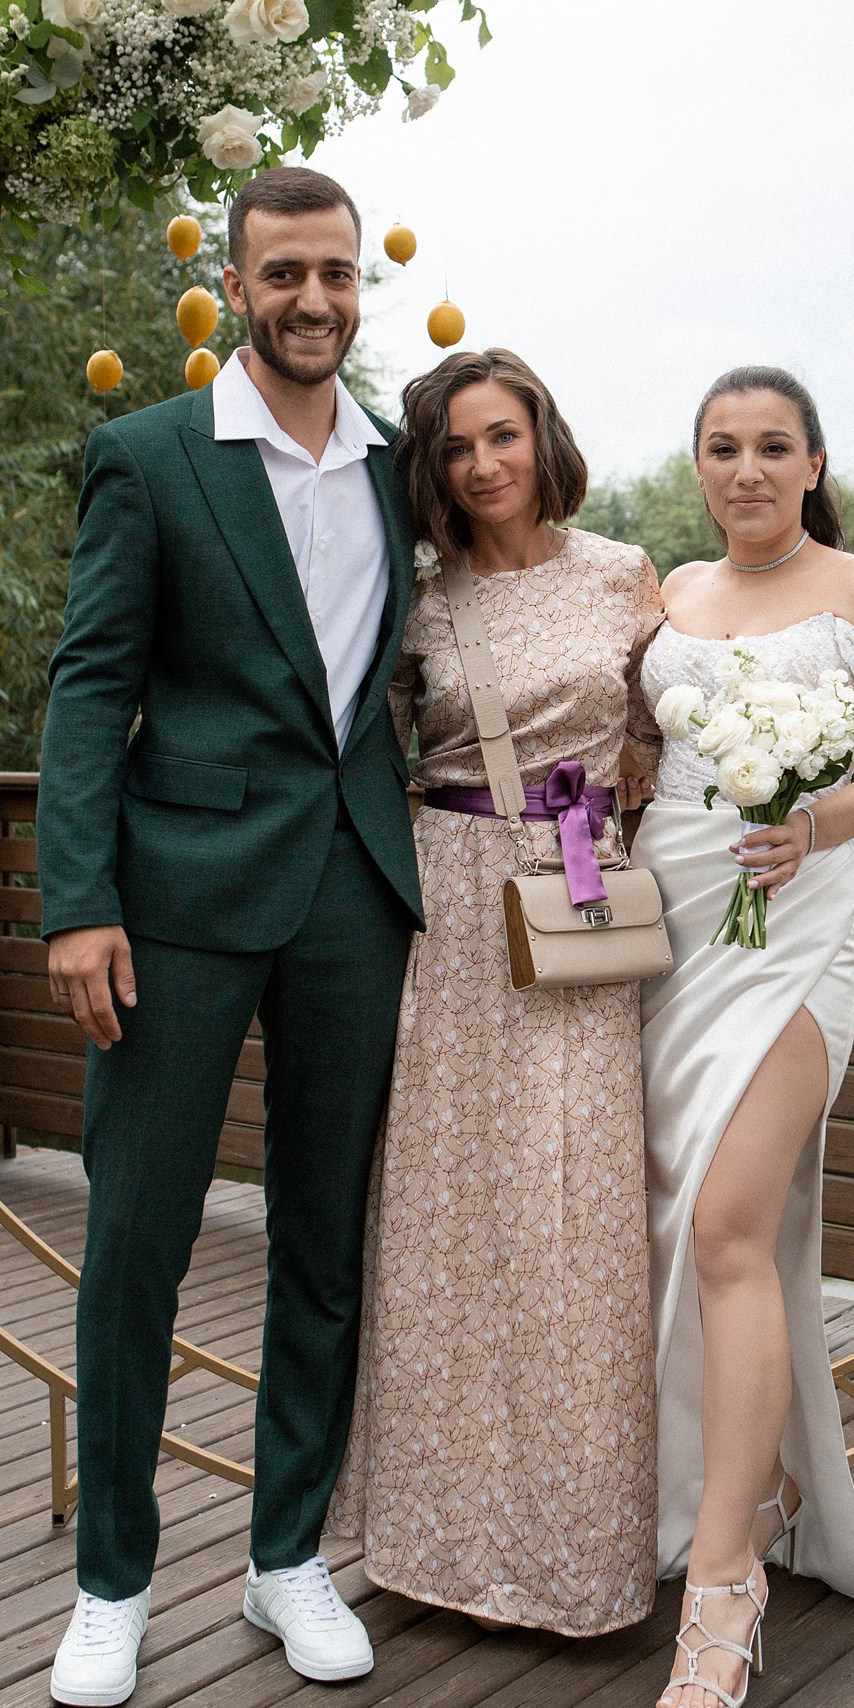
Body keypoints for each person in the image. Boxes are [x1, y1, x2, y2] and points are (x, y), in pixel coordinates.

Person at [37, 167, 423, 1708]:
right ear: (236, 288)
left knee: (323, 1240)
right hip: (175, 899)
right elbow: (88, 688)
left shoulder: (398, 468)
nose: (314, 298)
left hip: (353, 894)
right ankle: (112, 1583)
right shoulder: (147, 458)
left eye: (337, 273)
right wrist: (79, 901)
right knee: (138, 1238)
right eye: (286, 274)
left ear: (359, 286)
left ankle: (285, 1555)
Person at [632, 365, 854, 1708]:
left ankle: (724, 1591)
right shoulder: (670, 594)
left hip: (797, 926)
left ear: (814, 463)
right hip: (673, 918)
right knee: (683, 1224)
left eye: (775, 446)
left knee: (728, 1223)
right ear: (700, 466)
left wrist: (820, 821)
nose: (748, 469)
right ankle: (745, 1487)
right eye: (724, 447)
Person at [330, 348, 664, 1636]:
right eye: (457, 448)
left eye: (502, 436)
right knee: (447, 1217)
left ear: (543, 438)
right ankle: (437, 1541)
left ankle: (579, 1550)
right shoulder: (419, 599)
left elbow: (664, 734)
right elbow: (368, 752)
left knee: (574, 1213)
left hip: (581, 903)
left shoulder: (623, 574)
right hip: (454, 909)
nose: (483, 466)